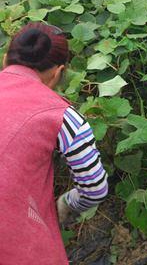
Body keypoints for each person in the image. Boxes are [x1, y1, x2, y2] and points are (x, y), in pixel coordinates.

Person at [0, 23, 108, 264]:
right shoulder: (64, 118)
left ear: (6, 58)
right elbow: (95, 188)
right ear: (58, 72)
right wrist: (66, 204)